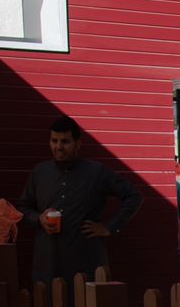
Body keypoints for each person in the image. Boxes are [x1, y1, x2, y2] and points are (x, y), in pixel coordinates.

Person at [18, 115, 143, 284]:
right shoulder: (40, 173)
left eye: (65, 142)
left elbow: (134, 196)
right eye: (54, 141)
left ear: (78, 143)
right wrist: (39, 218)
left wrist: (109, 228)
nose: (58, 147)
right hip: (48, 265)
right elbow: (22, 208)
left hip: (86, 264)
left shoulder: (96, 173)